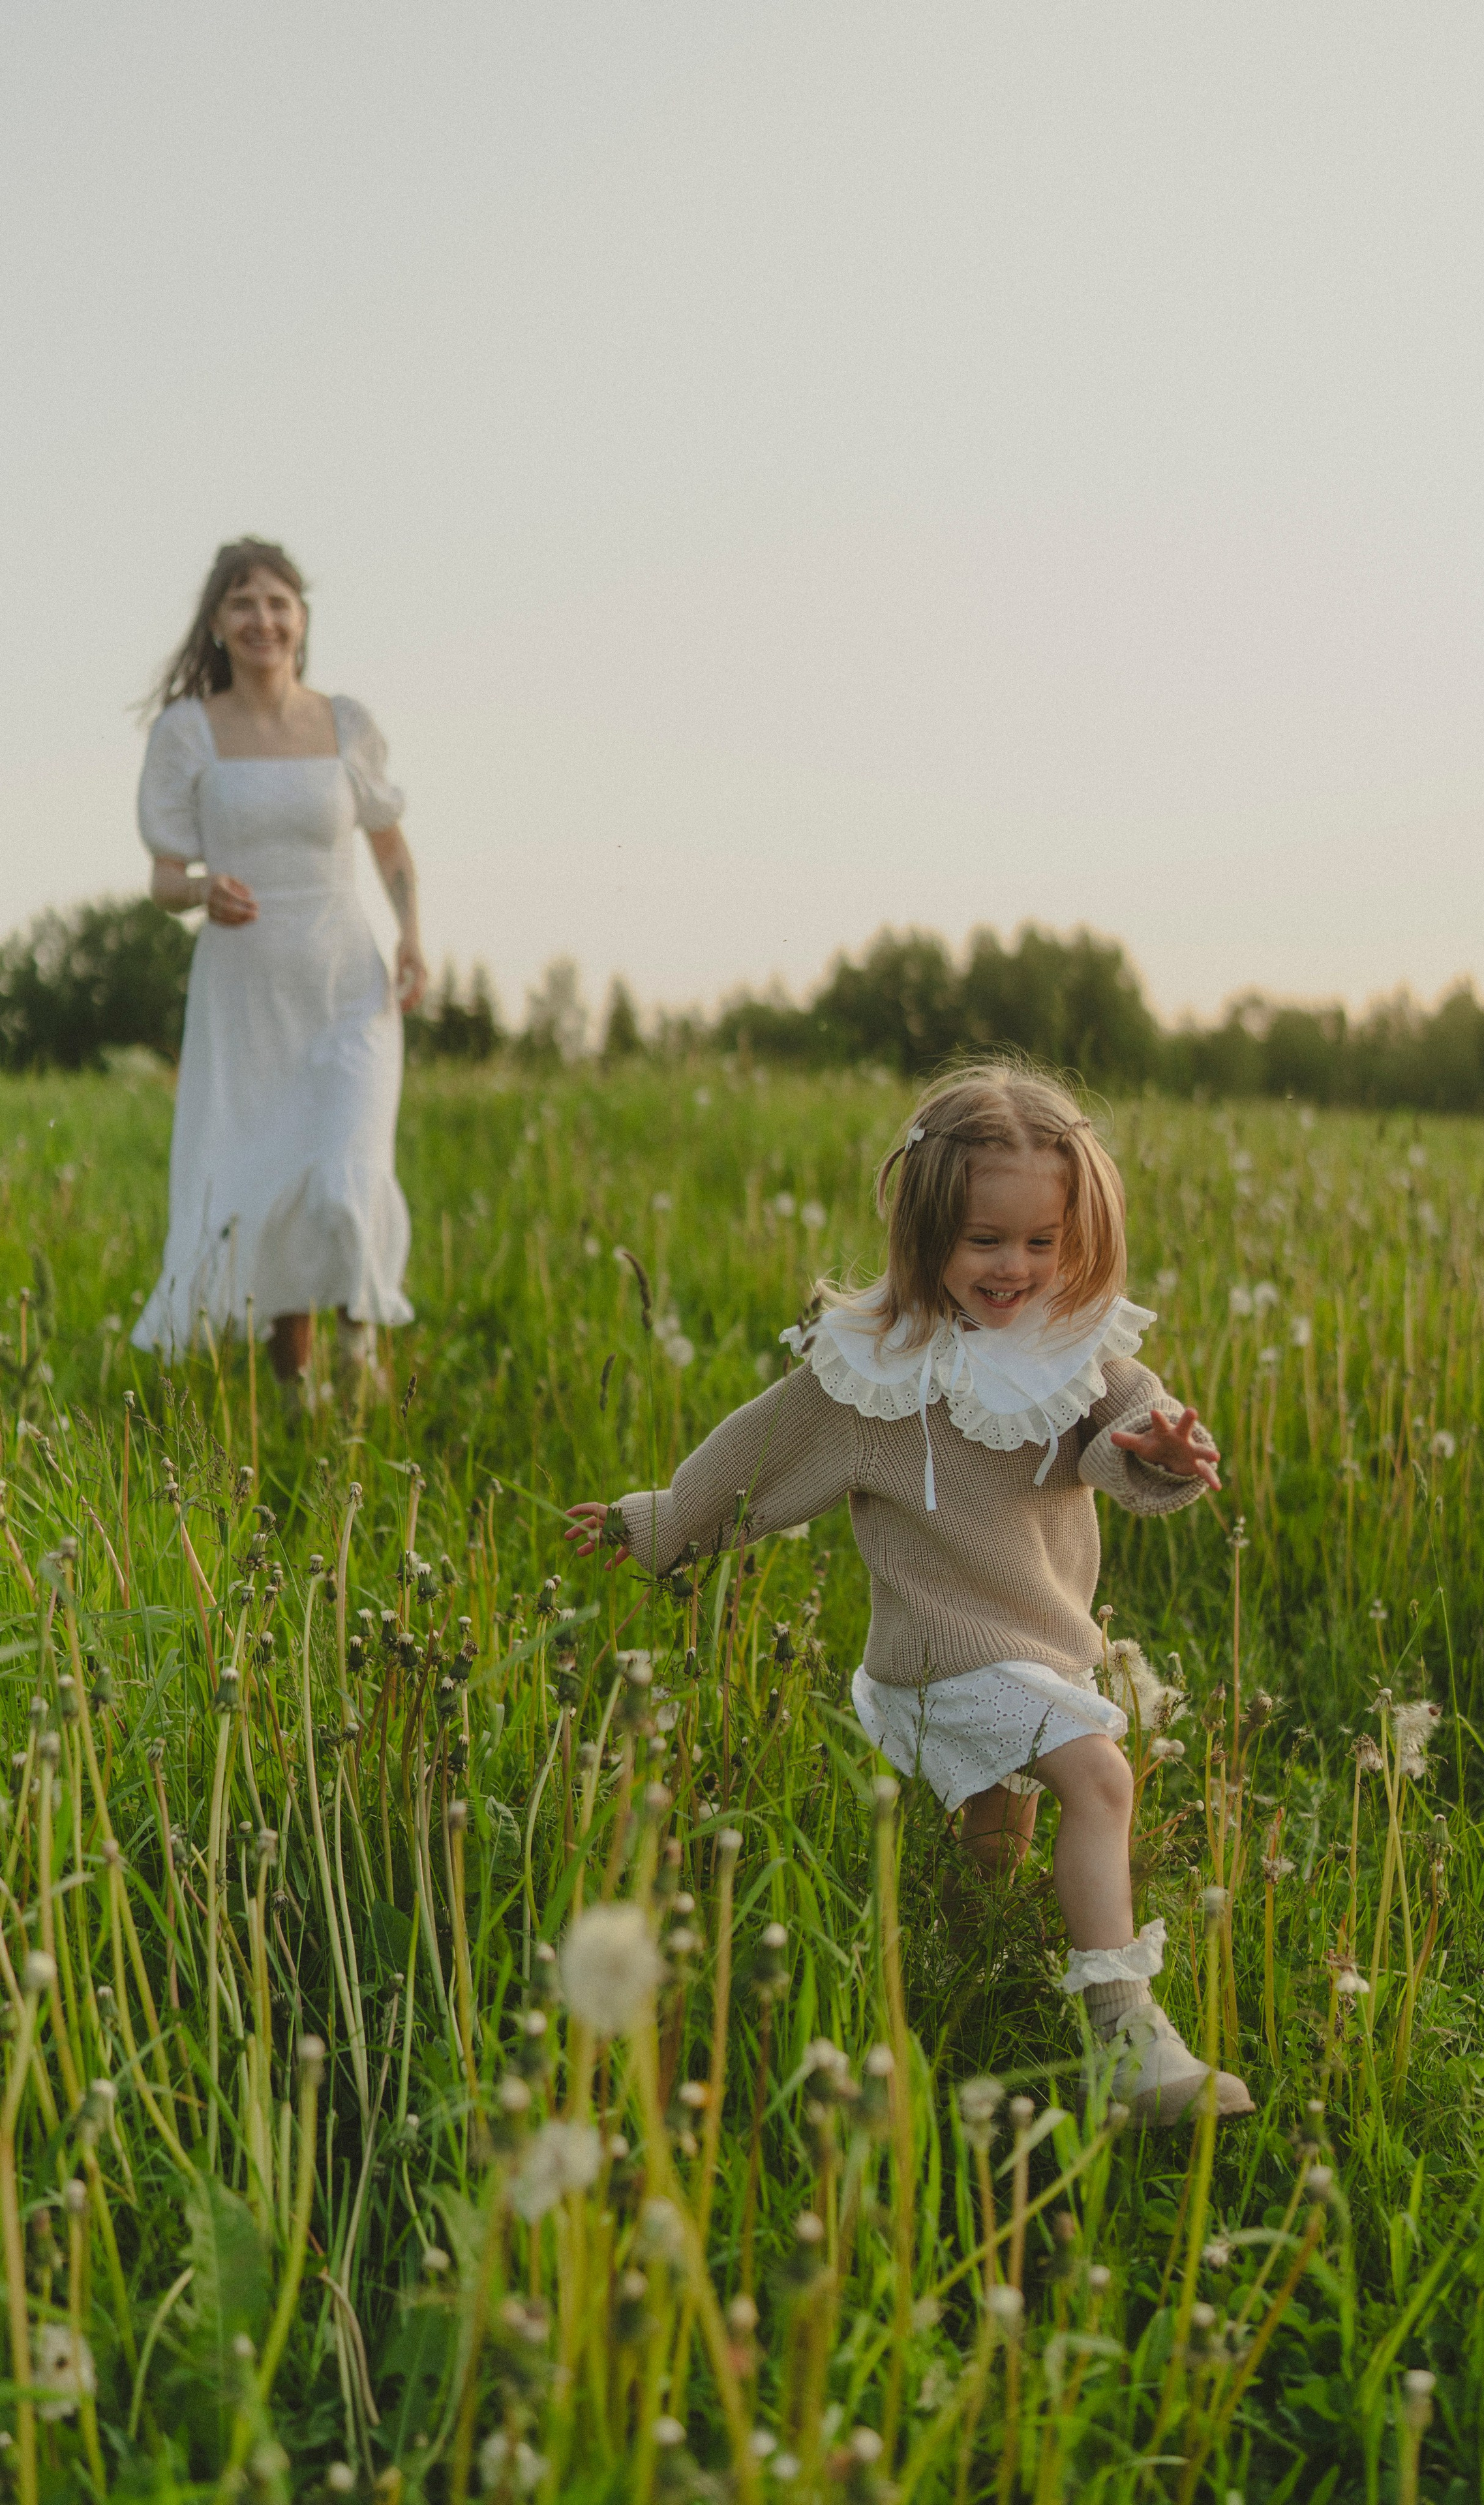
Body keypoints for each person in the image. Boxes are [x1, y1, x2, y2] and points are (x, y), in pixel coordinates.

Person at [567, 1063, 1251, 2125]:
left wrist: (1165, 1455)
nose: (1015, 1267)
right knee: (1101, 1782)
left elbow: (1132, 1444)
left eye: (1041, 1241)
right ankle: (1126, 2031)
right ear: (926, 1229)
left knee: (997, 1842)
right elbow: (751, 1457)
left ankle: (956, 1977)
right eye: (985, 1240)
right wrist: (656, 1523)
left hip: (1043, 1642)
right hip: (940, 1658)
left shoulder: (1080, 1353)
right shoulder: (871, 1374)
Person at [131, 538, 427, 1394]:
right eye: (242, 604)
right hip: (247, 995)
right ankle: (297, 1390)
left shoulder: (345, 722)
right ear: (217, 626)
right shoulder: (187, 732)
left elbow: (390, 844)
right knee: (274, 1174)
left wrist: (411, 935)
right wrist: (197, 890)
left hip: (347, 983)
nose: (263, 619)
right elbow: (161, 878)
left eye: (278, 602)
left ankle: (359, 1345)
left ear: (301, 619)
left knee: (348, 1170)